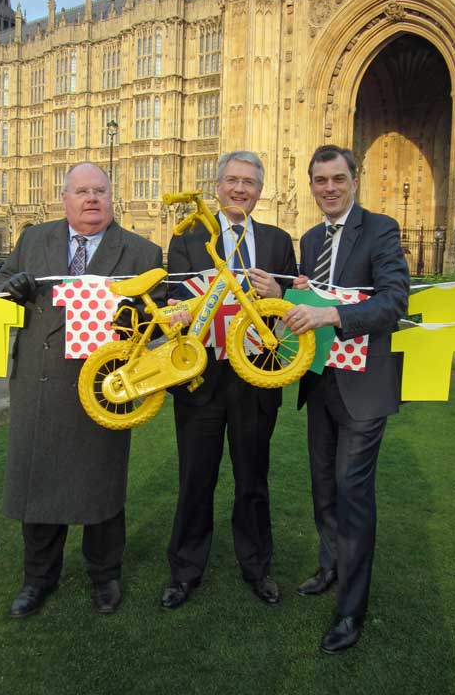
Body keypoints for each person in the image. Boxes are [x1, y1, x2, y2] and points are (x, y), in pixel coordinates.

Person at [0, 162, 163, 619]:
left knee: (101, 489)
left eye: (100, 191)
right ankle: (37, 579)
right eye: (82, 191)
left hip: (103, 388)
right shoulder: (34, 239)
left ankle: (105, 577)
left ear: (113, 198)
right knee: (39, 486)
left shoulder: (143, 253)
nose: (92, 199)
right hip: (40, 382)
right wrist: (10, 286)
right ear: (64, 199)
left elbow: (159, 324)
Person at [282, 145, 409, 654]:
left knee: (353, 495)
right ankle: (330, 568)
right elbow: (309, 301)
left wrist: (332, 315)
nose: (329, 188)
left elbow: (394, 301)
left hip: (364, 389)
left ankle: (351, 612)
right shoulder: (311, 237)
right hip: (322, 382)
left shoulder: (380, 229)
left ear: (354, 179)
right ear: (310, 185)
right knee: (324, 489)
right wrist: (287, 291)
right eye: (320, 180)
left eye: (337, 178)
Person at [161, 151, 297, 609]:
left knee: (253, 480)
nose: (241, 190)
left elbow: (293, 306)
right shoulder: (190, 235)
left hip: (256, 380)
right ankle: (184, 570)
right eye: (233, 181)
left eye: (250, 183)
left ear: (260, 190)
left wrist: (280, 293)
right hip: (201, 377)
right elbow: (175, 297)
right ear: (218, 186)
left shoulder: (278, 241)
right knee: (195, 479)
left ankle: (257, 567)